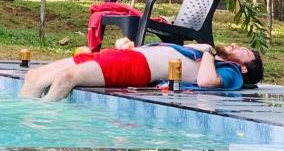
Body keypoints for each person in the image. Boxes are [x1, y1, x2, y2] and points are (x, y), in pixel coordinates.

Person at [20, 36, 263, 102]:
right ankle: (21, 117)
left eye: (244, 51)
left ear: (244, 68)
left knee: (66, 78)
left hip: (138, 66)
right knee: (34, 76)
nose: (235, 46)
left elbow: (207, 82)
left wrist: (209, 50)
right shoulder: (215, 58)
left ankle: (41, 118)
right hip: (130, 55)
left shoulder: (230, 72)